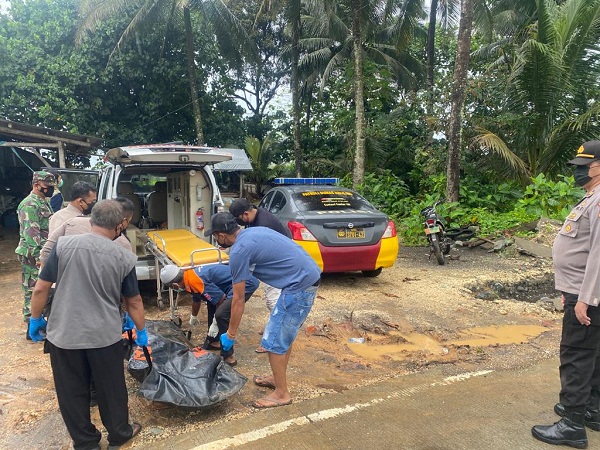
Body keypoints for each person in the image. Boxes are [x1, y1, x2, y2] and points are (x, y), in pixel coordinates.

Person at [28, 199, 145, 450]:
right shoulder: (124, 257)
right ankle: (119, 434)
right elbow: (133, 301)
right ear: (121, 225)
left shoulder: (64, 246)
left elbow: (41, 289)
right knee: (111, 388)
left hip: (63, 335)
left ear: (91, 220)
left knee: (71, 391)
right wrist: (141, 330)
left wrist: (35, 319)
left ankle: (86, 442)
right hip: (104, 337)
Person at [205, 212, 321, 409]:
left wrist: (231, 334)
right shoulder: (252, 232)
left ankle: (282, 394)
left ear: (221, 235)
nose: (216, 240)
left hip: (298, 286)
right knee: (283, 336)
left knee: (273, 341)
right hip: (306, 276)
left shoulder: (239, 250)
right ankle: (277, 379)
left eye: (215, 236)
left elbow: (238, 299)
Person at [532, 140, 600, 449]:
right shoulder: (591, 198)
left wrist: (585, 297)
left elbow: (599, 254)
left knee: (576, 355)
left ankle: (572, 424)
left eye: (583, 166)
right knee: (593, 356)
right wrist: (570, 291)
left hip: (589, 298)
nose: (578, 171)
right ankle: (592, 409)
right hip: (581, 292)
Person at [159, 264, 259, 366]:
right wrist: (193, 317)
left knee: (221, 315)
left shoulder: (195, 280)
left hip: (246, 283)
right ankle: (213, 341)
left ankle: (228, 356)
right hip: (233, 284)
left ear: (175, 285)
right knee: (211, 303)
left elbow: (221, 299)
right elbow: (196, 299)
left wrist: (215, 324)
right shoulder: (188, 276)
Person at [229, 198, 291, 353]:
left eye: (239, 220)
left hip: (280, 261)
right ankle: (273, 325)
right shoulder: (256, 215)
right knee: (271, 298)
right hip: (274, 257)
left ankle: (275, 339)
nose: (240, 224)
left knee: (274, 300)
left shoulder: (264, 223)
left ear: (245, 214)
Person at [15, 170, 56, 338]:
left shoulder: (43, 202)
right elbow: (31, 234)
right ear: (36, 184)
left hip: (42, 252)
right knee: (33, 290)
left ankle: (37, 323)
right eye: (47, 186)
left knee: (41, 289)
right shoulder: (30, 204)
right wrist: (40, 258)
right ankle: (31, 328)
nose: (50, 189)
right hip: (33, 255)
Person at [40, 197, 134, 265]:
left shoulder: (73, 223)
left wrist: (50, 281)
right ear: (125, 222)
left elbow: (46, 251)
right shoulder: (124, 244)